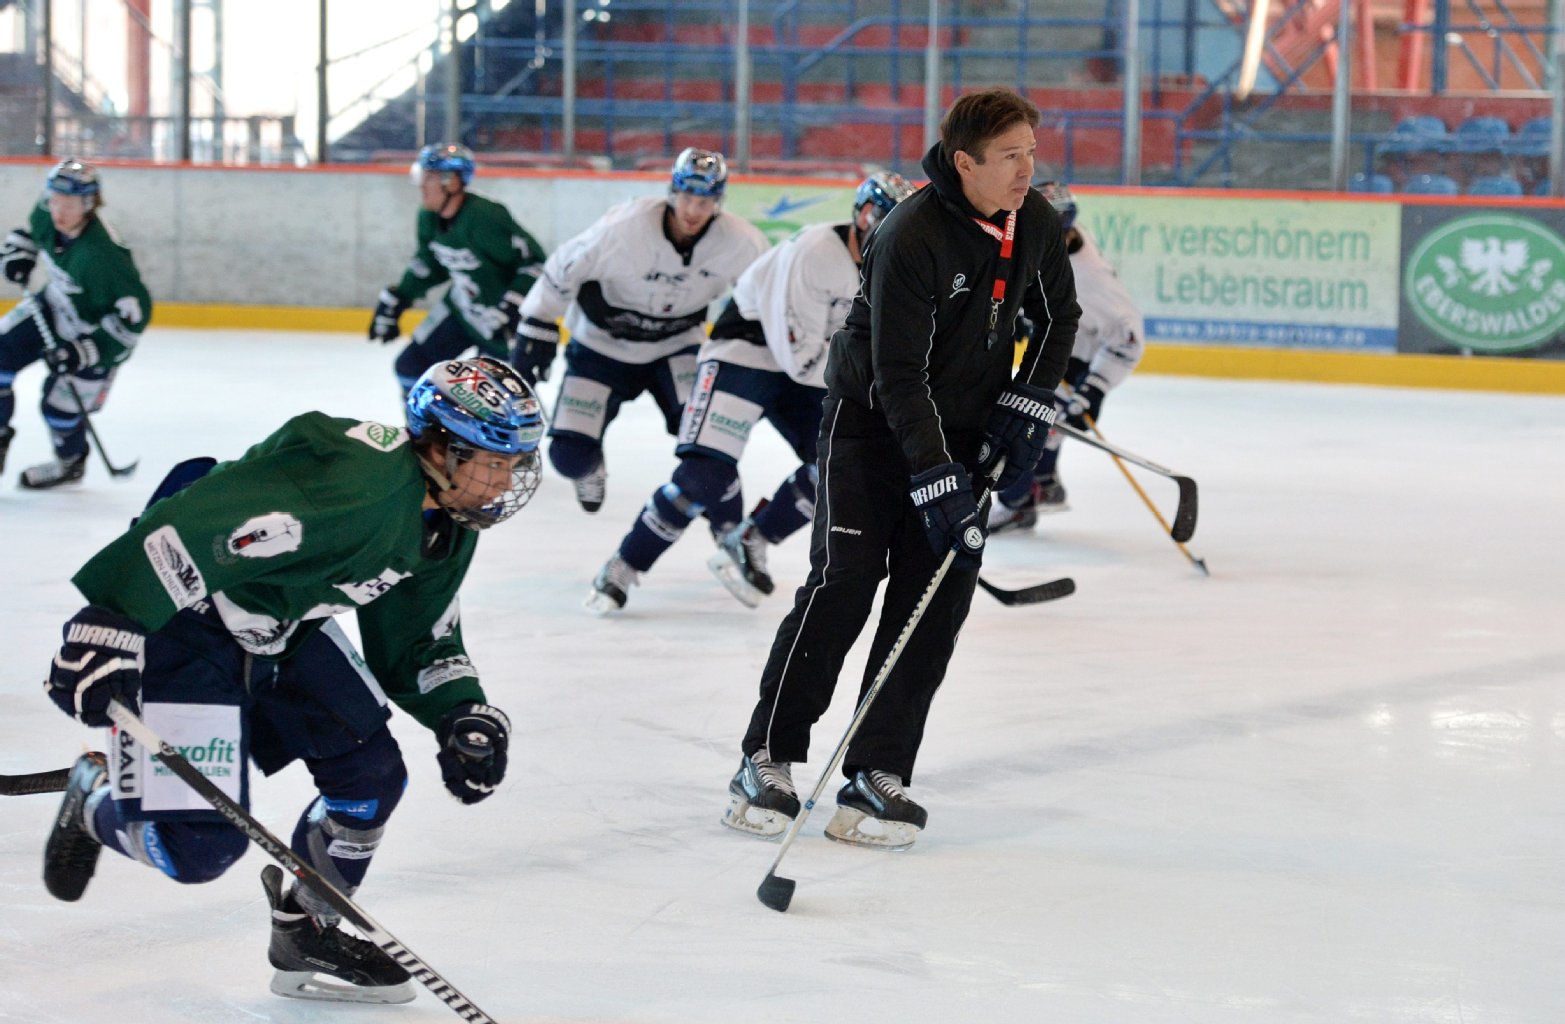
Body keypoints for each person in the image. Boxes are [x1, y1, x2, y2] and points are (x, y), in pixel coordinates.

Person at [40, 357, 542, 1005]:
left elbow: (416, 636)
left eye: (511, 466)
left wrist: (459, 711)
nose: (501, 484)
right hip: (188, 630)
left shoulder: (445, 521)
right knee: (195, 852)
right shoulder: (355, 482)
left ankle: (306, 928)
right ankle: (96, 804)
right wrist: (113, 617)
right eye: (492, 463)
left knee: (371, 779)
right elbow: (204, 514)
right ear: (439, 446)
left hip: (283, 629)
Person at [721, 89, 1080, 848]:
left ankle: (876, 771)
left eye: (1032, 154)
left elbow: (1058, 319)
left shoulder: (1034, 220)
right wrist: (934, 473)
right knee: (844, 584)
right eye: (1010, 156)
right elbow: (896, 373)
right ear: (964, 163)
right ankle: (767, 755)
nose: (1027, 171)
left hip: (963, 428)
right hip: (871, 428)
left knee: (933, 601)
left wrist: (1028, 401)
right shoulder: (910, 233)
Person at [585, 172, 917, 615]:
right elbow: (800, 359)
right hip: (747, 352)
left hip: (812, 367)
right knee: (705, 476)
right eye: (883, 220)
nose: (890, 235)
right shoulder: (817, 252)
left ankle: (751, 538)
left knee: (842, 465)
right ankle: (626, 563)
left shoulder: (897, 275)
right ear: (861, 215)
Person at [514, 147, 770, 515]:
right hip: (599, 348)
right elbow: (564, 265)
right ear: (673, 192)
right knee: (569, 456)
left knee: (710, 442)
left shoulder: (741, 242)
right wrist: (538, 321)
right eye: (687, 197)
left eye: (705, 200)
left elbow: (765, 295)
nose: (693, 211)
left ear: (719, 200)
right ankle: (592, 468)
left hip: (676, 347)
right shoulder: (624, 228)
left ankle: (729, 526)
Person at [987, 181, 1145, 531]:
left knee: (1020, 420)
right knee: (1043, 420)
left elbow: (1129, 337)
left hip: (1082, 352)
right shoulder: (1060, 238)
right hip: (1068, 336)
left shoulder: (1090, 280)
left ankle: (1017, 502)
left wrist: (1095, 389)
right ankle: (1043, 482)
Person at [0, 159, 151, 488]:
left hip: (95, 335)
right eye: (54, 200)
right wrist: (19, 251)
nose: (58, 212)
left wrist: (85, 351)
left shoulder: (102, 258)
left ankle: (70, 462)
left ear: (88, 204)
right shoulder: (45, 213)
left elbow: (135, 318)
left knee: (58, 408)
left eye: (68, 205)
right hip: (55, 306)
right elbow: (33, 237)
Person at [369, 143, 547, 394]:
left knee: (496, 399)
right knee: (410, 367)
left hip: (501, 324)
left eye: (428, 178)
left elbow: (536, 264)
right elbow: (431, 263)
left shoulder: (485, 217)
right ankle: (422, 433)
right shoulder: (428, 217)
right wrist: (401, 295)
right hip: (461, 310)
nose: (421, 185)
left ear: (452, 182)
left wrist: (513, 306)